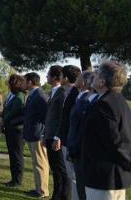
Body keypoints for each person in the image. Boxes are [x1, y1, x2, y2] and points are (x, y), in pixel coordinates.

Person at [82, 61, 131, 200]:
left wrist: (129, 163)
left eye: (97, 74)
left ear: (102, 82)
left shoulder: (104, 104)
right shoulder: (118, 100)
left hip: (104, 177)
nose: (93, 76)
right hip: (112, 175)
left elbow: (114, 142)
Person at [43, 65, 71, 200]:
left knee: (61, 170)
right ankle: (56, 195)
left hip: (56, 137)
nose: (46, 77)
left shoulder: (62, 92)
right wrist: (44, 134)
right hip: (49, 135)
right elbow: (49, 116)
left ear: (54, 77)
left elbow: (62, 117)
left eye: (48, 74)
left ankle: (63, 196)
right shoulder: (52, 92)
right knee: (55, 169)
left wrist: (57, 137)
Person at [67, 71, 95, 200]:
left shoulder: (86, 100)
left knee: (82, 187)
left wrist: (74, 148)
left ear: (84, 82)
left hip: (79, 150)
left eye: (79, 78)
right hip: (74, 147)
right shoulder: (80, 97)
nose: (76, 80)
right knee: (77, 183)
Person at [24, 72, 50, 198]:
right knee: (35, 163)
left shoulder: (40, 96)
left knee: (41, 163)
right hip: (31, 133)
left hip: (38, 134)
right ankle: (38, 188)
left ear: (30, 82)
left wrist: (43, 134)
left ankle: (43, 191)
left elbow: (46, 117)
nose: (23, 83)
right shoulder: (32, 95)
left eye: (24, 81)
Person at [58, 65, 82, 200]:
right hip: (66, 139)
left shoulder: (75, 95)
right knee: (70, 175)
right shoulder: (68, 93)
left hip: (70, 141)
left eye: (61, 75)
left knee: (73, 177)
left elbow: (72, 121)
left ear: (66, 78)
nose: (60, 78)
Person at [3, 74, 26, 187]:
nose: (9, 83)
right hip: (10, 129)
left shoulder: (19, 96)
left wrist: (2, 119)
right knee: (12, 154)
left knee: (17, 155)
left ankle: (17, 180)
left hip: (17, 130)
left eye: (11, 81)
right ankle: (13, 179)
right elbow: (6, 110)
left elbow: (13, 113)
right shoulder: (11, 95)